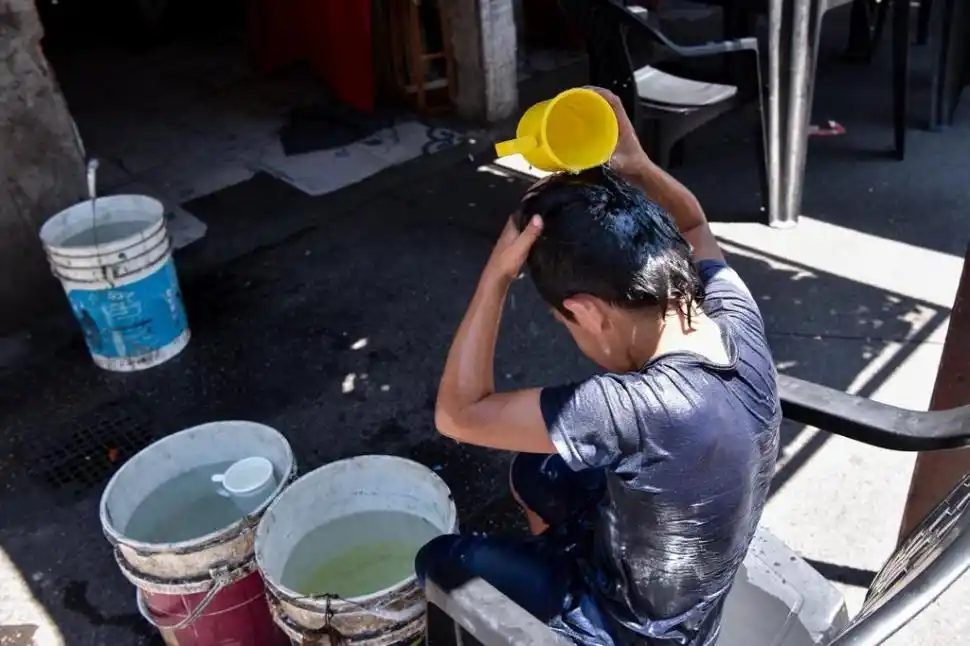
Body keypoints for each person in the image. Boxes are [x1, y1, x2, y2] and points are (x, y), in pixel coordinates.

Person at [415, 88, 780, 646]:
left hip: (636, 633)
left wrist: (495, 277)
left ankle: (561, 626)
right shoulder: (733, 314)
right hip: (682, 586)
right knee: (536, 468)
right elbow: (695, 227)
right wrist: (637, 166)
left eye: (566, 322)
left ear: (586, 311)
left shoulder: (629, 410)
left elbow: (458, 414)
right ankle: (552, 561)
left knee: (441, 559)